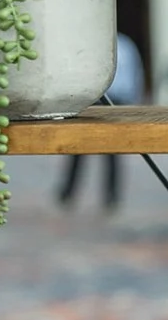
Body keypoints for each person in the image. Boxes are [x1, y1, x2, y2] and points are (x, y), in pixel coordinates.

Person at [59, 32, 144, 210]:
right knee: (78, 150)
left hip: (117, 100)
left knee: (112, 154)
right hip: (93, 99)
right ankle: (68, 193)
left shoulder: (125, 45)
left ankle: (111, 197)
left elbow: (135, 74)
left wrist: (133, 102)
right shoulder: (95, 44)